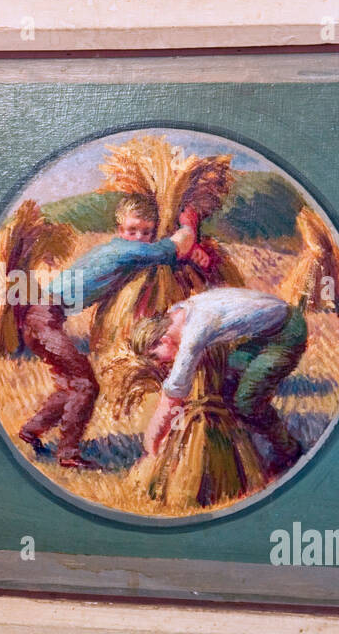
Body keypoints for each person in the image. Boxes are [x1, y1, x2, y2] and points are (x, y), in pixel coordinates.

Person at [17, 195, 209, 470]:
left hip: (41, 319)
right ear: (120, 230)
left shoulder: (116, 251)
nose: (139, 237)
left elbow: (167, 260)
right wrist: (189, 224)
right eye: (132, 231)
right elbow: (171, 249)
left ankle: (31, 431)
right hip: (43, 320)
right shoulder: (123, 251)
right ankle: (68, 454)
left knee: (70, 384)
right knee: (86, 386)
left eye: (146, 232)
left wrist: (192, 254)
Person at [129, 286, 309, 476]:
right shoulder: (175, 314)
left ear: (165, 341)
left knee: (246, 402)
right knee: (227, 385)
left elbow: (172, 398)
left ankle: (288, 451)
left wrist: (152, 441)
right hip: (260, 334)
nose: (159, 363)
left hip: (286, 333)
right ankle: (238, 448)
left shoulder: (193, 335)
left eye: (156, 357)